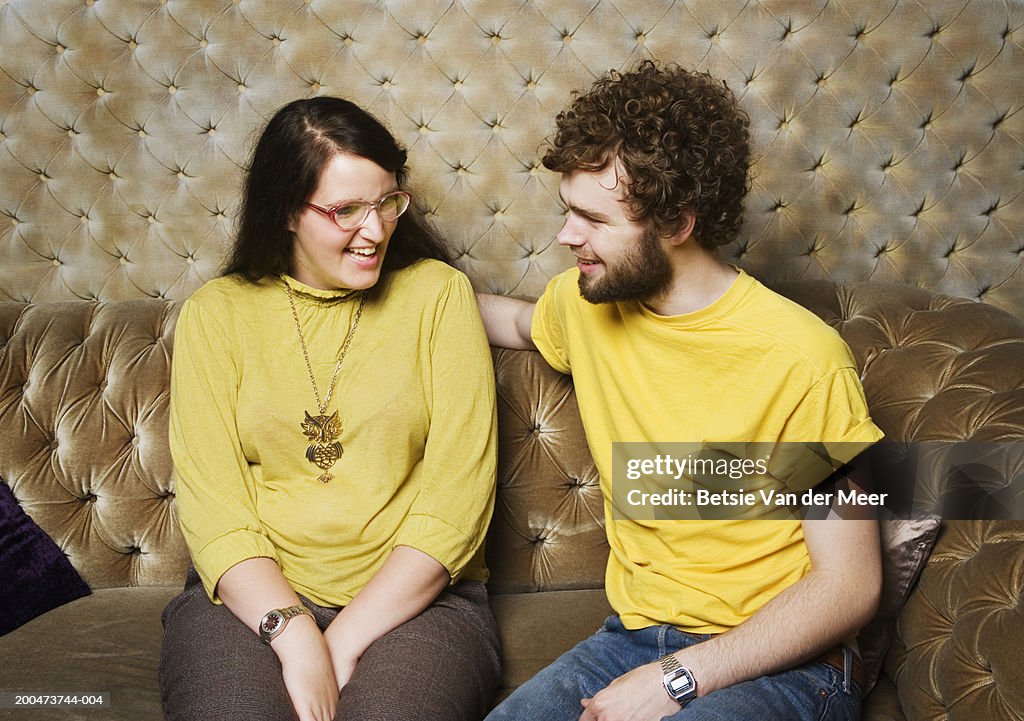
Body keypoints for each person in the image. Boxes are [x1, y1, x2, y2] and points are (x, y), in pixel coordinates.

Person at [477, 60, 884, 721]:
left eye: (591, 218)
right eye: (566, 211)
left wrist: (674, 678)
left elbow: (849, 585)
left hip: (784, 662)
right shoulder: (585, 304)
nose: (565, 236)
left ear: (676, 223)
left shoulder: (803, 361)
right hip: (632, 638)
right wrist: (400, 292)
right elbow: (512, 319)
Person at [159, 97, 500, 721]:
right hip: (250, 601)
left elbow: (456, 503)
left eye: (387, 202)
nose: (374, 230)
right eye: (346, 211)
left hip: (418, 605)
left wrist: (337, 644)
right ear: (286, 210)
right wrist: (293, 635)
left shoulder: (437, 295)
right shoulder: (216, 313)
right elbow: (215, 508)